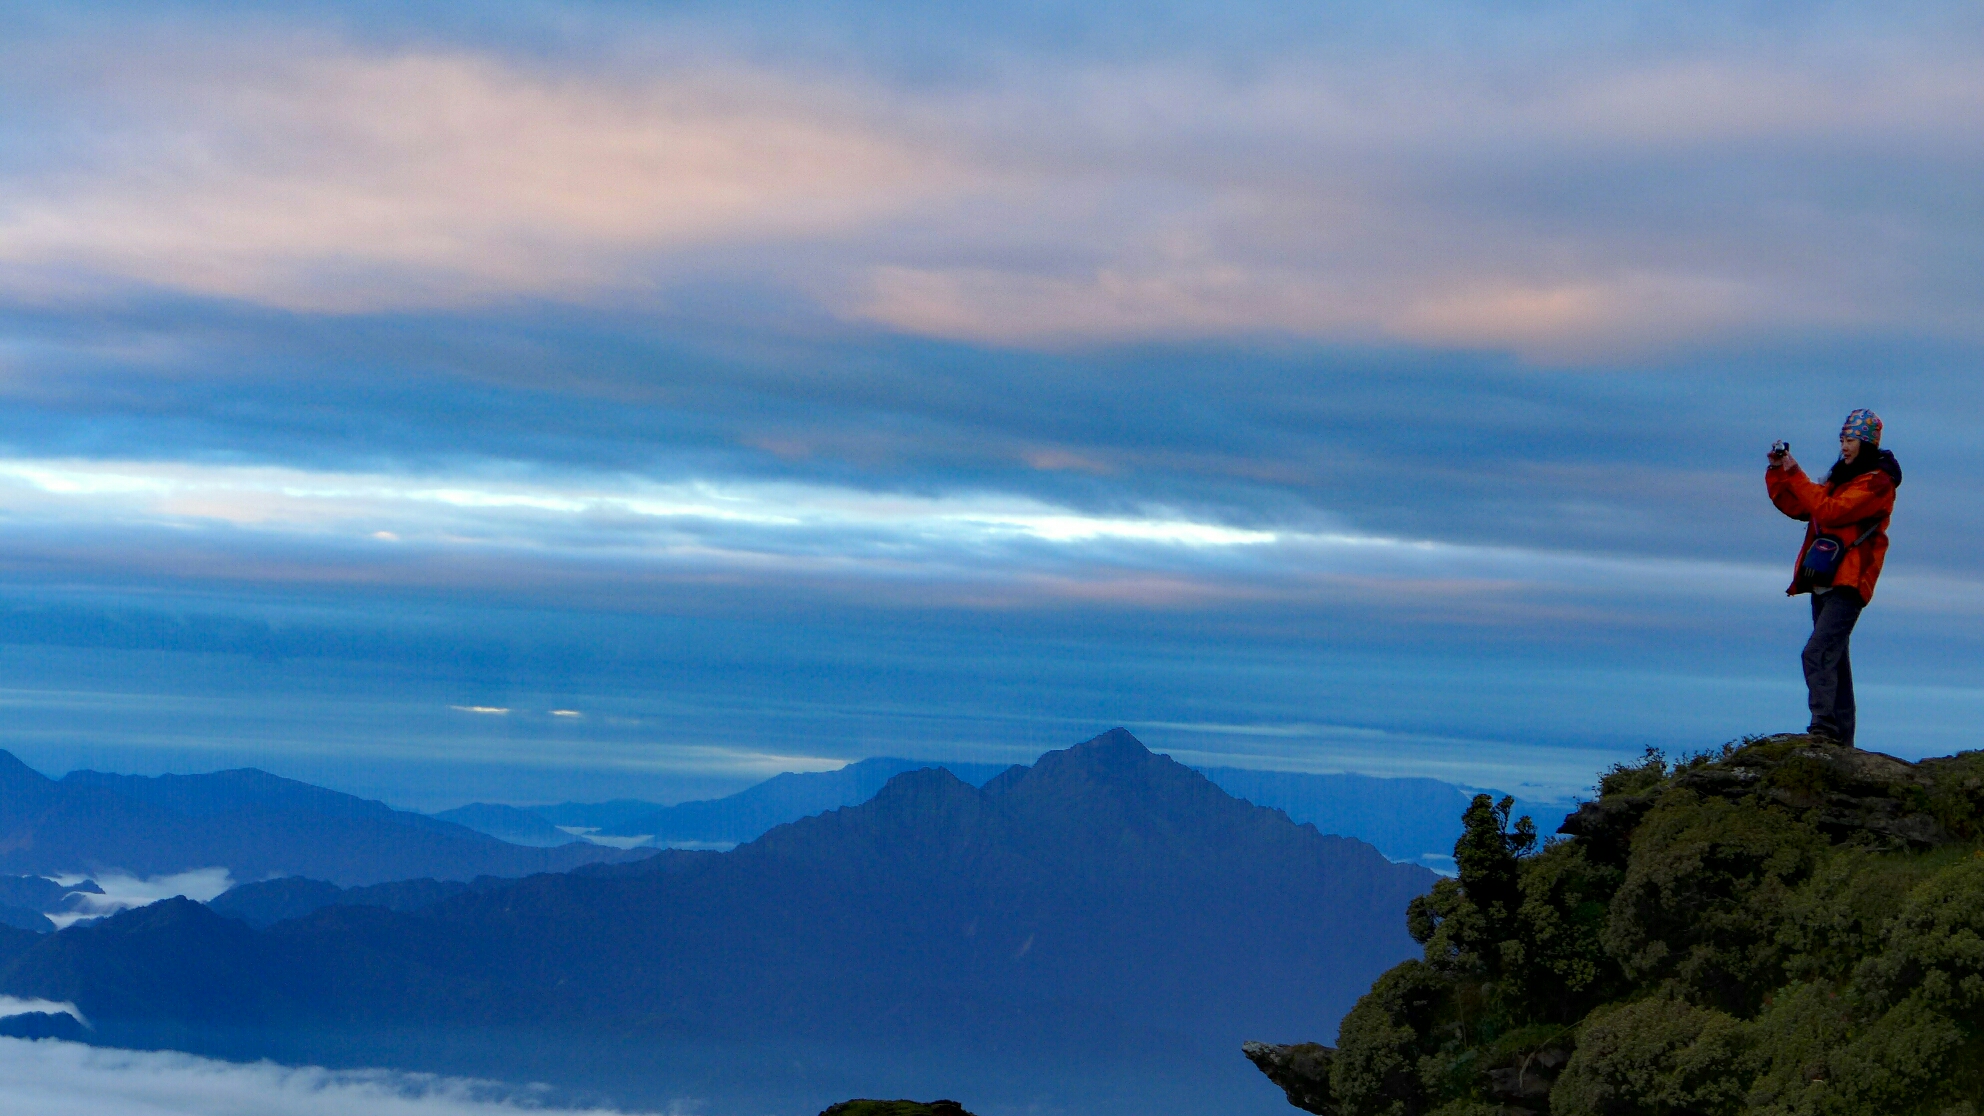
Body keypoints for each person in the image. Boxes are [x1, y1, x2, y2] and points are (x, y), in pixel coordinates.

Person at [1765, 409, 1901, 746]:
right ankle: (1842, 742)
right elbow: (1799, 507)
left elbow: (1829, 511)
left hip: (1850, 581)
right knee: (1834, 658)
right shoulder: (1841, 478)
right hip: (1824, 575)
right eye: (1842, 439)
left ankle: (1823, 729)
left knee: (1817, 652)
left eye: (1851, 439)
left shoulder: (1877, 482)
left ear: (1867, 442)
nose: (1844, 446)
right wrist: (1778, 471)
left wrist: (1795, 473)